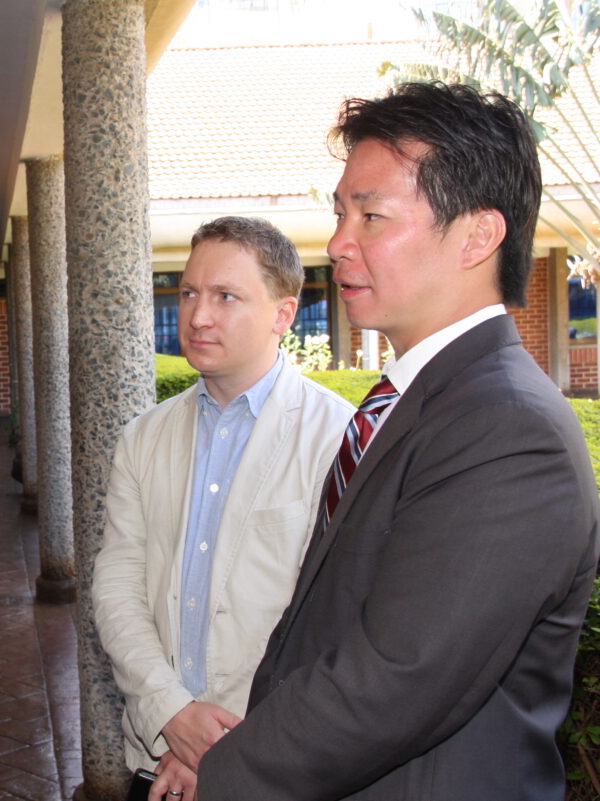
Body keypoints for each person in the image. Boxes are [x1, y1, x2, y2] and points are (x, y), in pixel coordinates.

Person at [195, 82, 600, 800]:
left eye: (372, 216)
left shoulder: (508, 429)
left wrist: (223, 777)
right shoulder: (421, 398)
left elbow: (396, 676)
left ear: (478, 235)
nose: (339, 243)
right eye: (340, 213)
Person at [93, 217, 354, 801]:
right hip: (157, 760)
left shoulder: (338, 437)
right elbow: (117, 588)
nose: (198, 315)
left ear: (283, 315)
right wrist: (173, 715)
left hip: (273, 765)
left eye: (226, 297)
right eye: (188, 293)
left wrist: (214, 745)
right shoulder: (144, 437)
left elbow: (328, 622)